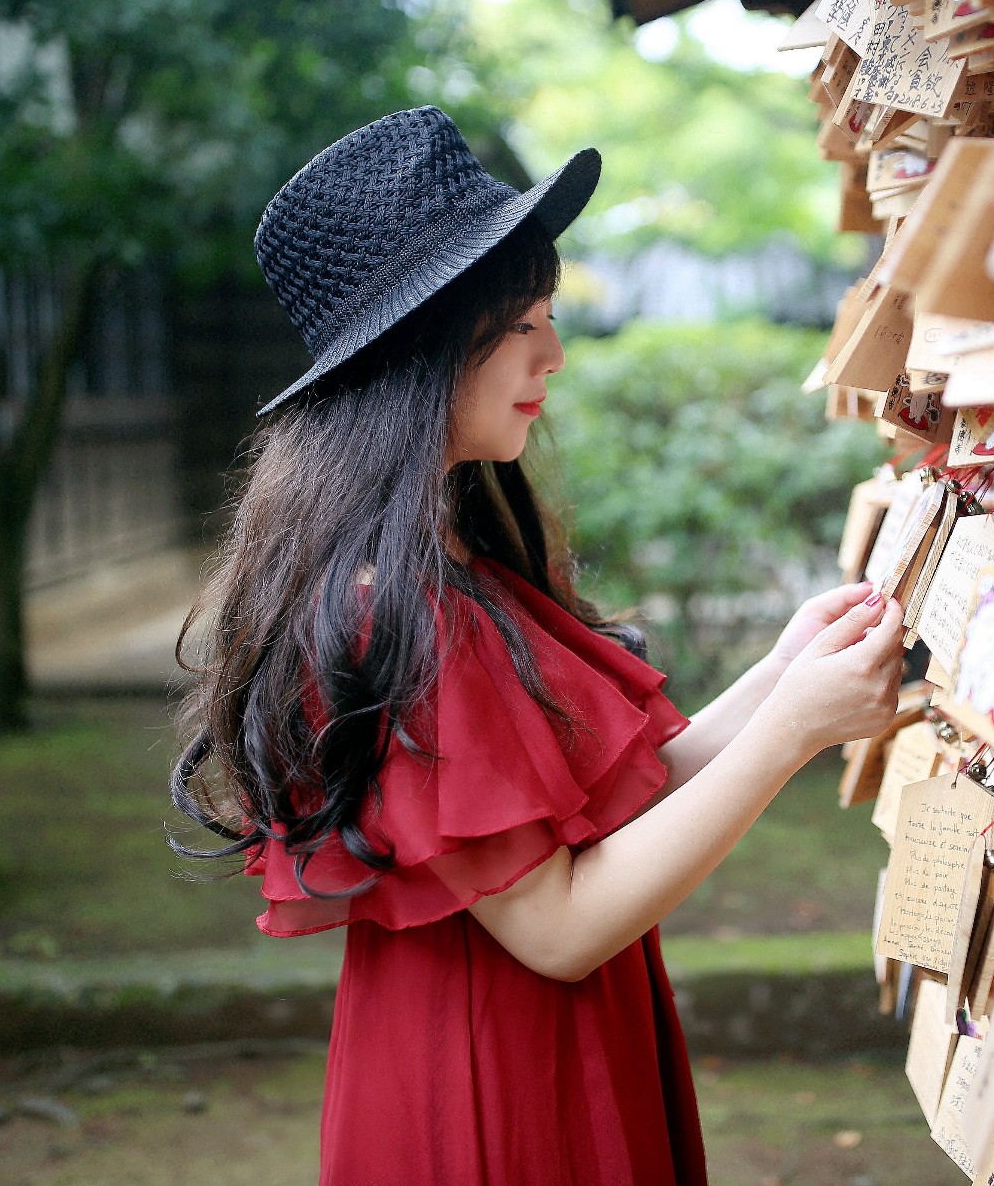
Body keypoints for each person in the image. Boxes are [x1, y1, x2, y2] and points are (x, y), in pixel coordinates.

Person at [170, 107, 907, 1185]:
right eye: (524, 324)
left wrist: (781, 673)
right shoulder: (400, 608)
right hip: (498, 1090)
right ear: (419, 349)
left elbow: (608, 803)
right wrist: (792, 734)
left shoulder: (439, 567)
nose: (554, 356)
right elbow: (557, 927)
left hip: (505, 1054)